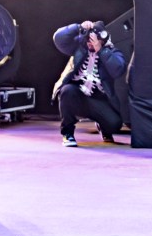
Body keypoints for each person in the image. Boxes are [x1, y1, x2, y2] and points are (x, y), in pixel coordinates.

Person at [52, 19, 126, 147]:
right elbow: (58, 38)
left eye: (94, 40)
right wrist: (77, 27)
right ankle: (68, 133)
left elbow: (118, 69)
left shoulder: (111, 51)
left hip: (98, 99)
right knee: (66, 90)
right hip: (77, 94)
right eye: (89, 40)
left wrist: (101, 50)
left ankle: (102, 125)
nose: (90, 43)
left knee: (114, 124)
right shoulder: (79, 47)